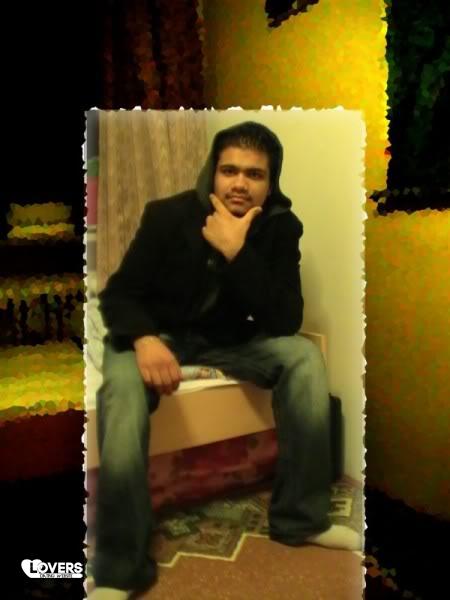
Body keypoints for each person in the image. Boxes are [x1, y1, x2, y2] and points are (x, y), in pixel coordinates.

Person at [89, 121, 361, 599]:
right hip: (160, 334)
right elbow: (120, 294)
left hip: (230, 340)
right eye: (229, 170)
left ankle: (300, 518)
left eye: (254, 174)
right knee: (122, 391)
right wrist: (145, 339)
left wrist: (238, 252)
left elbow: (285, 318)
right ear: (212, 173)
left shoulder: (281, 227)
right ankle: (120, 570)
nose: (240, 183)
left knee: (303, 356)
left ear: (270, 182)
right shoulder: (169, 215)